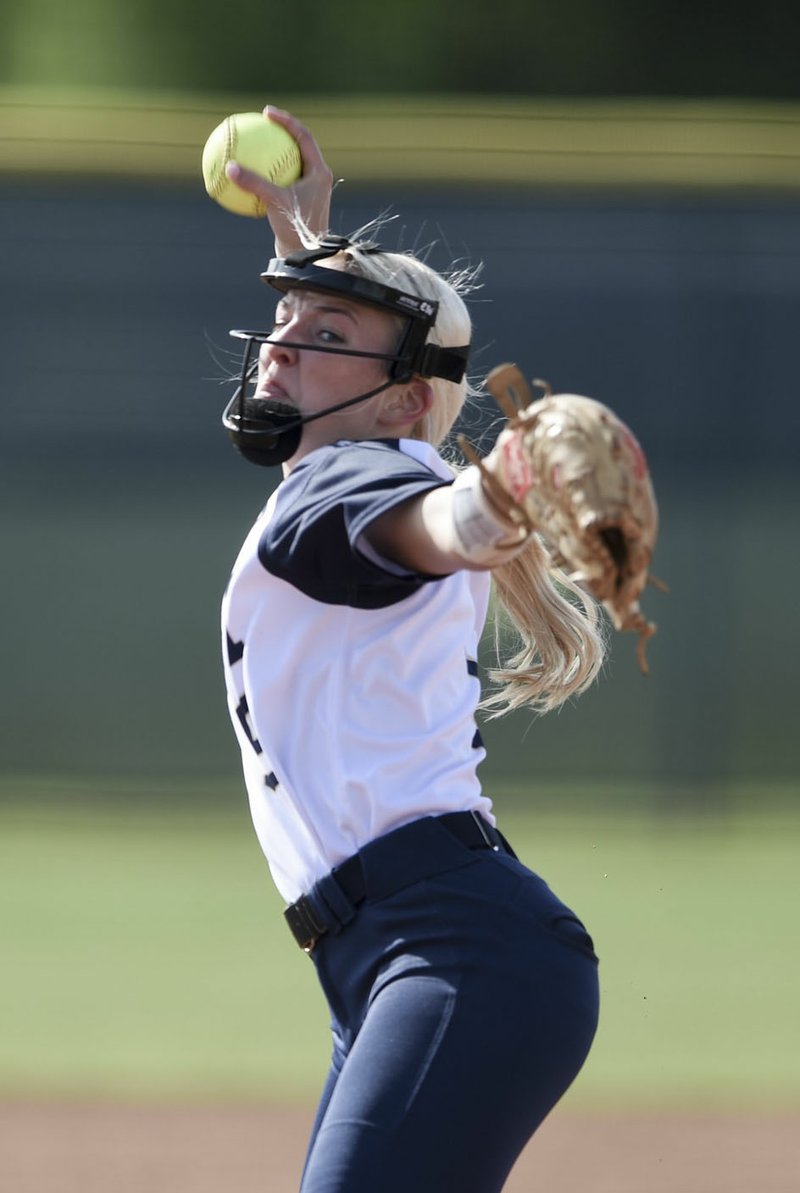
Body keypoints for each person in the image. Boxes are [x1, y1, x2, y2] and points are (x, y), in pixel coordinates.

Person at [219, 106, 606, 1193]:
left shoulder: (357, 480)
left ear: (399, 399)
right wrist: (308, 243)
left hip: (449, 951)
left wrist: (488, 511)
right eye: (289, 317)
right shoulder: (369, 455)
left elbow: (424, 527)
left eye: (325, 333)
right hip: (411, 955)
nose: (286, 339)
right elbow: (391, 417)